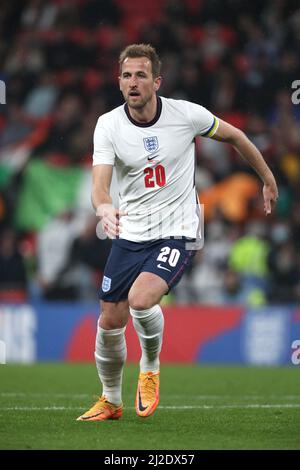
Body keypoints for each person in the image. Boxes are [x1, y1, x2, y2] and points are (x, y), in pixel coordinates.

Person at [77, 44, 278, 422]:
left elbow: (237, 137)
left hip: (180, 229)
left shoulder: (186, 115)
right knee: (109, 320)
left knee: (141, 299)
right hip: (131, 231)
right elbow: (100, 187)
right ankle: (110, 400)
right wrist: (104, 207)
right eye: (126, 75)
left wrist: (267, 178)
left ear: (157, 81)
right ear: (118, 82)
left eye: (140, 75)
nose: (132, 82)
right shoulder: (108, 125)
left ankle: (150, 368)